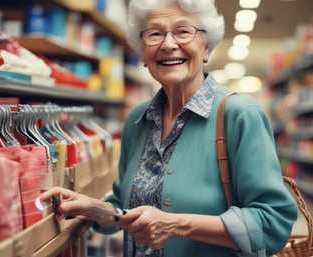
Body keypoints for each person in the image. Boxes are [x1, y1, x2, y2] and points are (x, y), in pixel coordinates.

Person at [40, 0, 298, 256]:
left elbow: (273, 223)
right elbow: (126, 209)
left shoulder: (240, 114)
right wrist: (93, 207)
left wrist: (177, 225)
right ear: (143, 53)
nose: (168, 44)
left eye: (183, 31)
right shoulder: (138, 120)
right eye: (154, 34)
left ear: (206, 47)